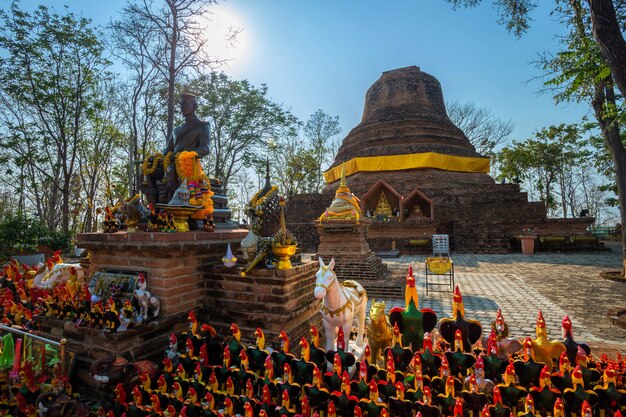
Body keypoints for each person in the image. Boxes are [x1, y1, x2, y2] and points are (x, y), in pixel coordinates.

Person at [163, 93, 210, 201]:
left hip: (188, 166)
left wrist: (183, 154)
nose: (182, 106)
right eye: (181, 104)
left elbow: (205, 148)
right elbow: (168, 149)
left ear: (195, 107)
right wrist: (161, 156)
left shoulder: (202, 126)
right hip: (171, 164)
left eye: (185, 103)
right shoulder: (177, 130)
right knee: (147, 173)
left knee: (174, 172)